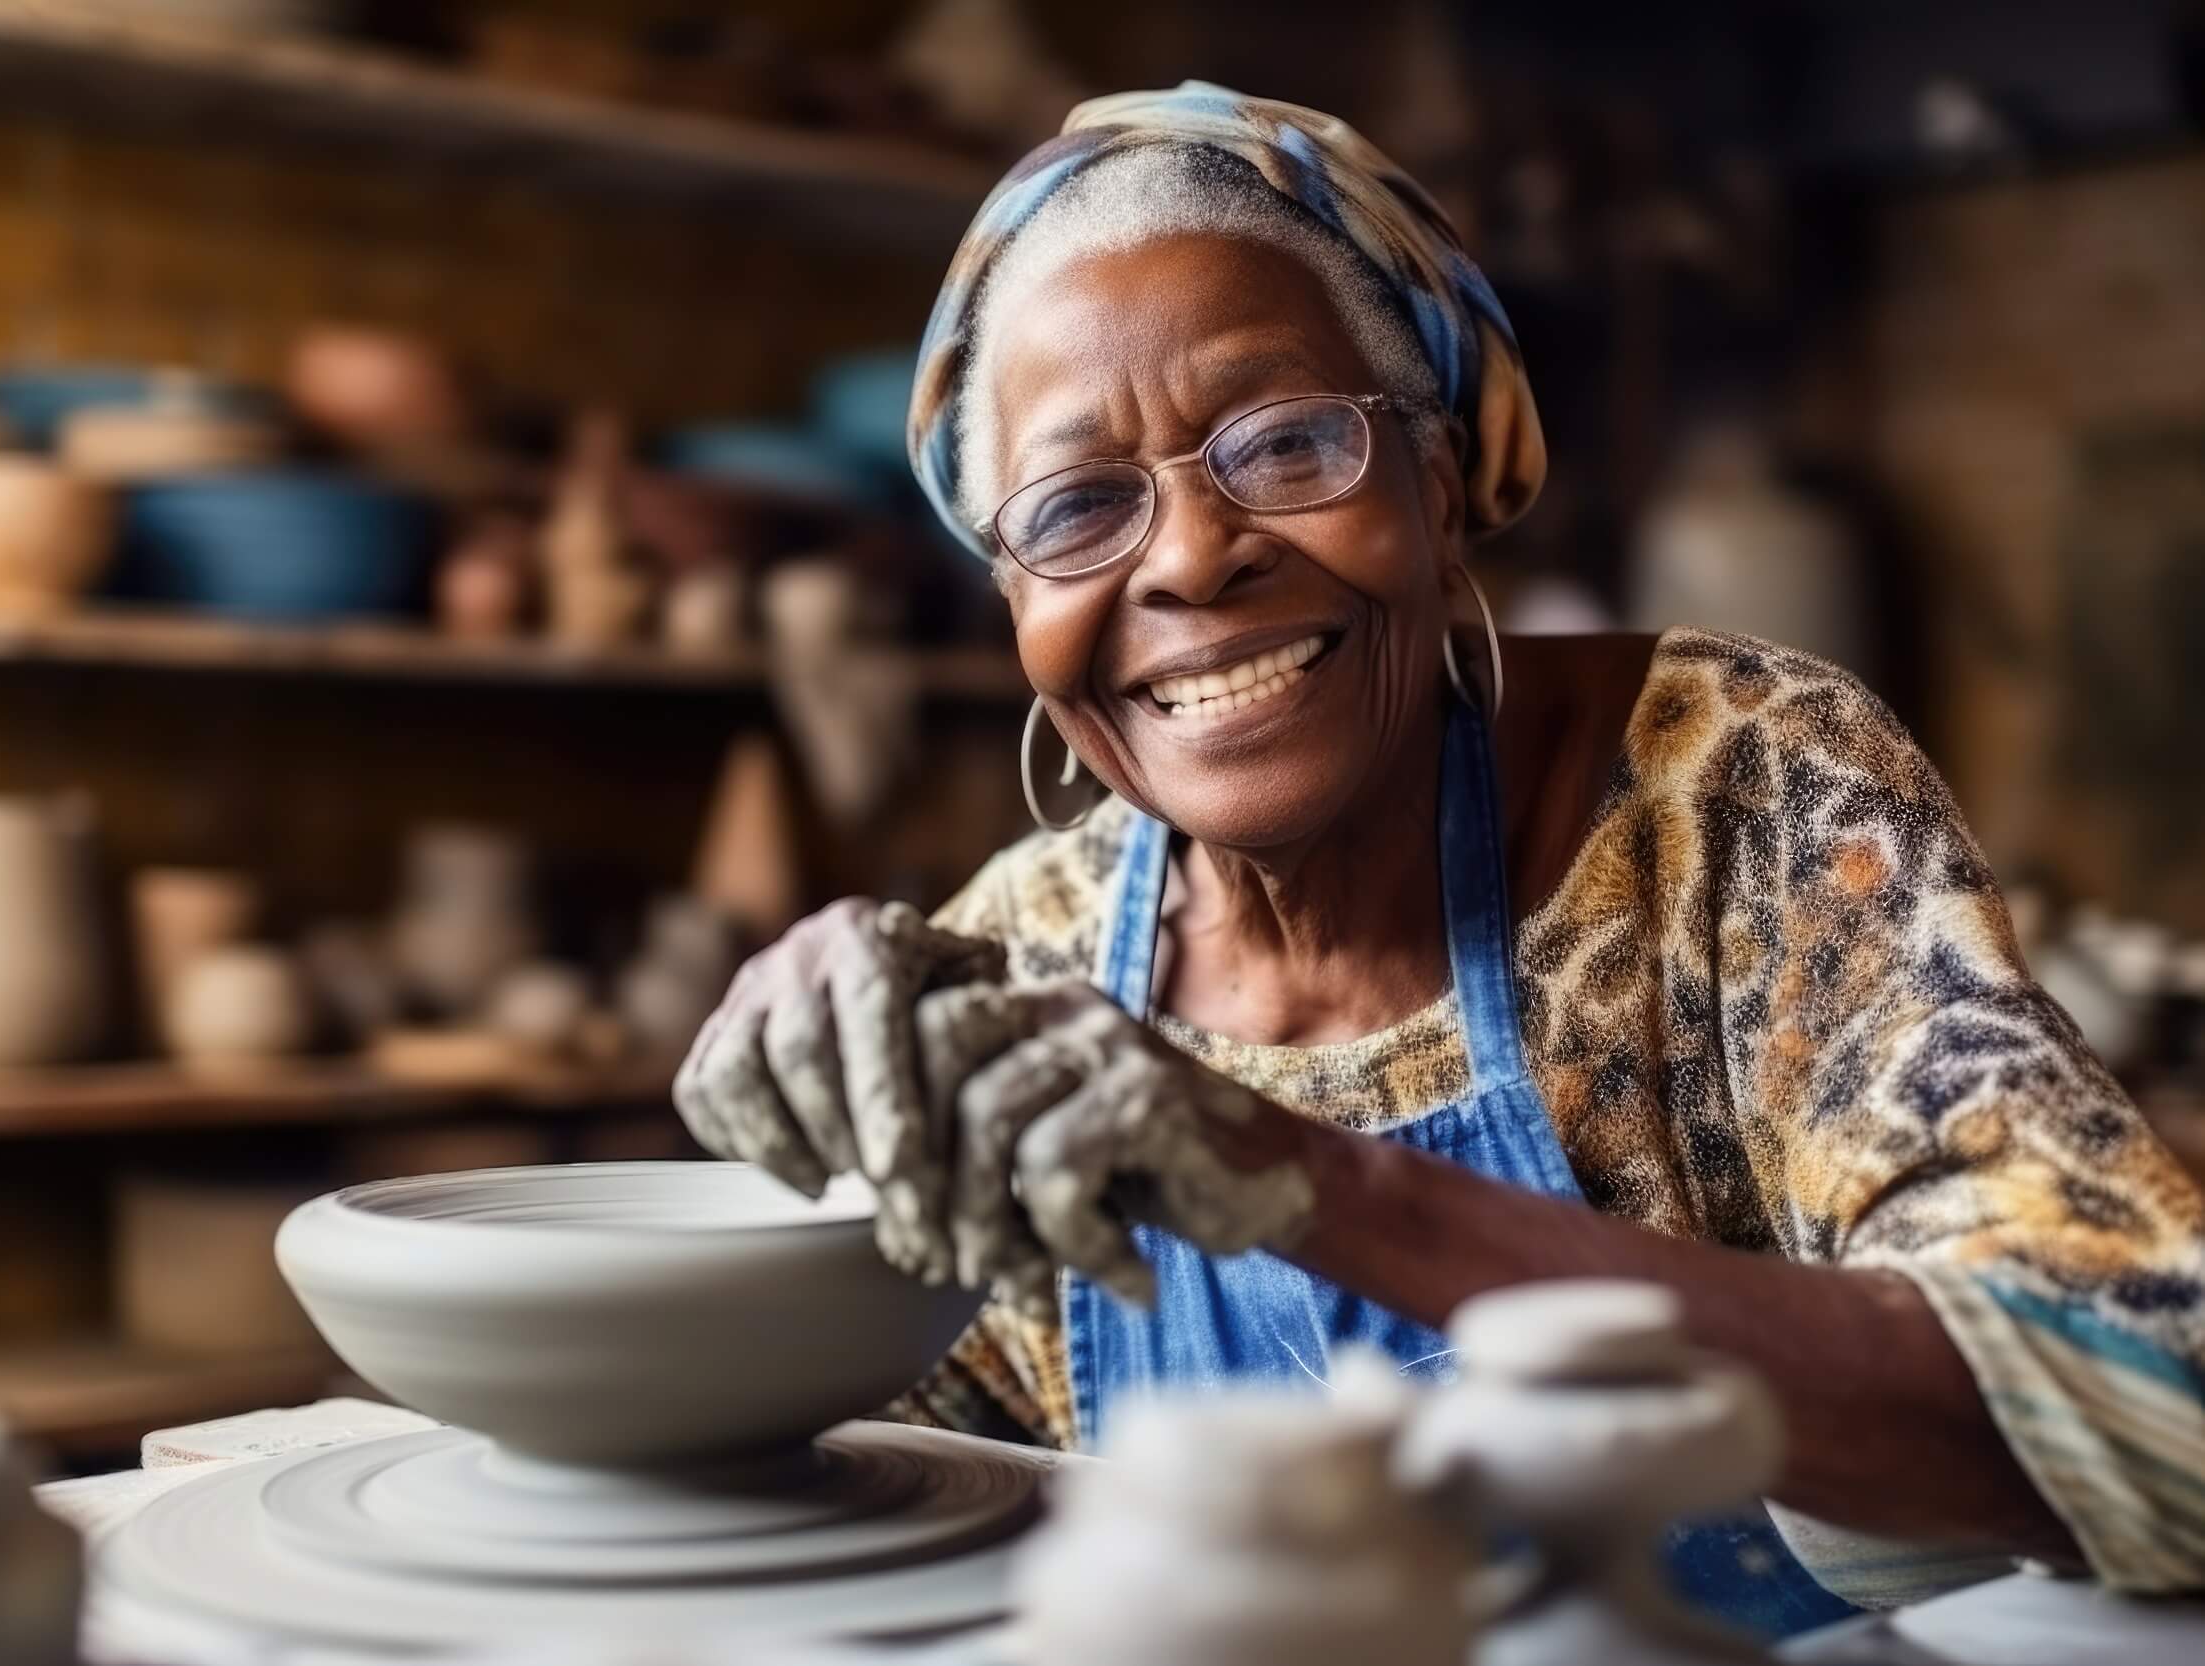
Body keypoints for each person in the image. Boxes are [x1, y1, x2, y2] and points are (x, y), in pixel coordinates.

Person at [675, 82, 2205, 1636]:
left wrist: (1306, 1177)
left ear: (1445, 473)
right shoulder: (1030, 966)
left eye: (1285, 445)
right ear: (1015, 600)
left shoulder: (1727, 791)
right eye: (1078, 506)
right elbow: (812, 1502)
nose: (1195, 557)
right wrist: (772, 1175)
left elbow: (2160, 1403)